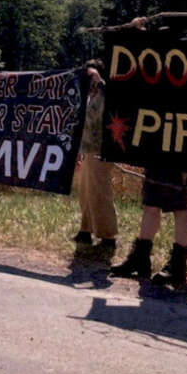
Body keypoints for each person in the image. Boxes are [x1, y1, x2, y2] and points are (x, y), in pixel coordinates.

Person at [111, 167, 187, 291]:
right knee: (150, 206)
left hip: (179, 160)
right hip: (156, 159)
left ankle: (177, 269)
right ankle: (140, 259)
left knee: (181, 208)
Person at [72, 60, 117, 251]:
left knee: (100, 192)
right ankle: (86, 230)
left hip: (101, 150)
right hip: (87, 149)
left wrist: (100, 81)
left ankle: (108, 236)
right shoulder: (89, 95)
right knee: (85, 191)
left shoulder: (107, 92)